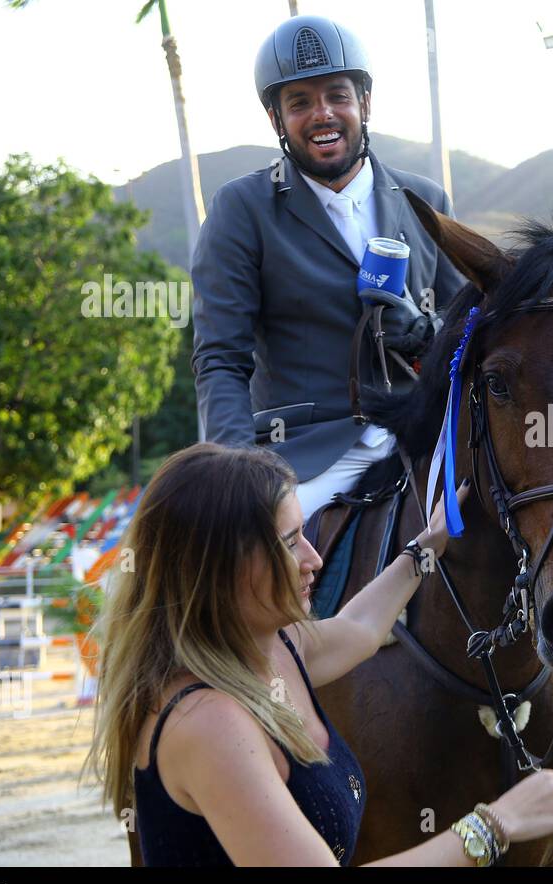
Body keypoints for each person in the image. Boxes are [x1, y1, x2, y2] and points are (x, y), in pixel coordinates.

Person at [84, 443, 553, 866]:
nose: (314, 559)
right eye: (290, 543)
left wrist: (424, 548)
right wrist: (497, 823)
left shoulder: (274, 650)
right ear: (221, 570)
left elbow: (358, 627)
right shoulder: (208, 723)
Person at [191, 14, 464, 520]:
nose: (323, 114)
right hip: (307, 457)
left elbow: (472, 330)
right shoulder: (241, 209)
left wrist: (428, 331)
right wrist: (236, 473)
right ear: (277, 120)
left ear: (364, 102)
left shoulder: (427, 200)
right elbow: (222, 361)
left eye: (337, 95)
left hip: (426, 440)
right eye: (300, 102)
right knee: (252, 560)